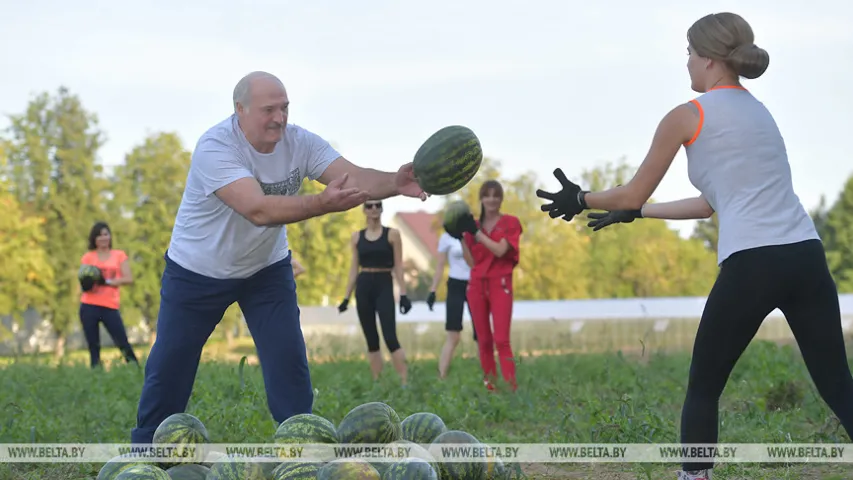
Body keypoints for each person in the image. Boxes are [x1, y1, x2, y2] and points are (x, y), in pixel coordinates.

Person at [535, 12, 853, 480]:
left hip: (753, 263)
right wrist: (638, 213)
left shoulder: (689, 115)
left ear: (707, 59)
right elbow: (708, 204)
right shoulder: (760, 112)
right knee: (838, 385)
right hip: (804, 254)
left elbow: (630, 191)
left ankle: (693, 475)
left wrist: (580, 198)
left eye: (688, 53)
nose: (685, 63)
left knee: (703, 387)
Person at [130, 71, 426, 444]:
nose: (280, 118)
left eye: (284, 108)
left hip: (265, 269)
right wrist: (321, 203)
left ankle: (303, 446)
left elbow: (353, 176)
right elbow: (257, 210)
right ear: (240, 110)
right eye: (269, 109)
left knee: (288, 359)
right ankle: (146, 449)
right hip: (197, 271)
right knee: (171, 363)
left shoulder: (299, 142)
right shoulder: (216, 148)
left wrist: (394, 183)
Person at [445, 180, 522, 392]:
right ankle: (491, 387)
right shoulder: (473, 227)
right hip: (477, 285)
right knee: (484, 340)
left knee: (501, 339)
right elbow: (471, 263)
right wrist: (461, 237)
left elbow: (499, 251)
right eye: (487, 195)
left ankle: (511, 387)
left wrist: (476, 233)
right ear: (481, 199)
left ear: (501, 199)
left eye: (496, 195)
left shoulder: (510, 223)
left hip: (501, 283)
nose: (491, 200)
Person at [338, 200, 412, 385]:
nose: (374, 209)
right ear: (363, 210)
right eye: (369, 206)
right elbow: (353, 268)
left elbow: (399, 266)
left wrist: (403, 294)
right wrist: (346, 297)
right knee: (371, 338)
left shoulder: (392, 235)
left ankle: (404, 382)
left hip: (384, 284)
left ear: (382, 208)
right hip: (364, 286)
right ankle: (377, 382)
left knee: (390, 337)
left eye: (378, 205)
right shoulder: (356, 237)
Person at [78, 222, 139, 369]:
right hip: (89, 305)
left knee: (122, 342)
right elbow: (83, 278)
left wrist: (108, 281)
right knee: (93, 345)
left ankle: (135, 369)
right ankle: (96, 373)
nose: (103, 238)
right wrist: (88, 282)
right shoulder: (88, 257)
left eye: (106, 234)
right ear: (94, 239)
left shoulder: (119, 255)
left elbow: (128, 278)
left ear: (110, 237)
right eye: (99, 235)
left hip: (109, 305)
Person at [427, 227, 477, 379]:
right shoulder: (446, 237)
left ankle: (488, 377)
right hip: (455, 284)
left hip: (474, 283)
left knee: (481, 333)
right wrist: (433, 290)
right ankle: (441, 376)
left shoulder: (474, 233)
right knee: (453, 334)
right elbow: (440, 265)